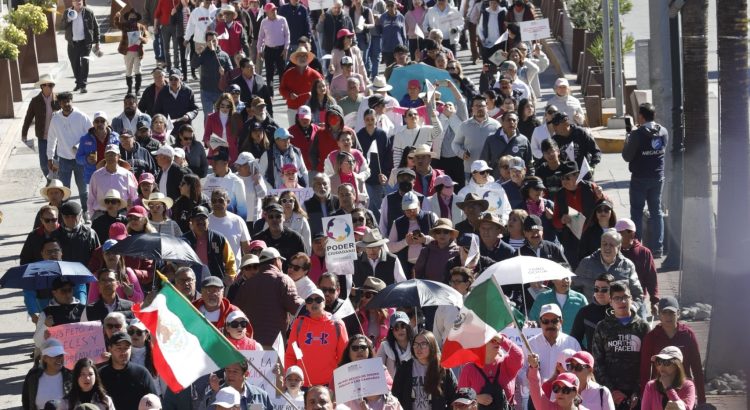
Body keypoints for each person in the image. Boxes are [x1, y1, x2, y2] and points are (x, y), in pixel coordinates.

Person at [591, 282, 650, 409]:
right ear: (610, 302)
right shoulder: (602, 327)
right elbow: (597, 362)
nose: (622, 301)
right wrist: (611, 391)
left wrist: (638, 391)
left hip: (637, 394)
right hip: (610, 394)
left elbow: (648, 362)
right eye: (617, 298)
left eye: (625, 297)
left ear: (631, 299)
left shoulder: (643, 327)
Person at [230, 247, 304, 346]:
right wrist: (312, 302)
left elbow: (235, 311)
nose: (281, 263)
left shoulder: (247, 284)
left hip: (251, 344)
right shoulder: (284, 280)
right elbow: (296, 307)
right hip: (275, 344)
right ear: (276, 261)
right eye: (281, 260)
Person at [639, 296, 706, 405]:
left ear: (678, 313)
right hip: (658, 391)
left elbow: (697, 368)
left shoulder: (687, 335)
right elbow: (645, 369)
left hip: (683, 389)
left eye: (671, 313)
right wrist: (644, 396)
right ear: (659, 315)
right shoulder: (651, 337)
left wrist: (702, 401)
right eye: (664, 312)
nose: (668, 316)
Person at [622, 102, 668, 257]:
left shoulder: (637, 134)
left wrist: (628, 140)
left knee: (636, 212)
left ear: (641, 116)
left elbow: (627, 156)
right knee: (657, 212)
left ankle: (637, 247)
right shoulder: (663, 131)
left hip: (640, 178)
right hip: (657, 177)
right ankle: (658, 249)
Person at [286, 288, 349, 386]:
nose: (314, 303)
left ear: (324, 304)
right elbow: (290, 355)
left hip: (329, 385)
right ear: (306, 305)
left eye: (318, 300)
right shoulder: (299, 324)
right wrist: (289, 379)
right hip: (302, 384)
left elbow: (343, 358)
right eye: (309, 301)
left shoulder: (337, 324)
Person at [46, 92, 93, 217]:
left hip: (80, 159)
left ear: (72, 101)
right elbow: (51, 139)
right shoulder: (55, 119)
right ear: (59, 103)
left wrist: (79, 146)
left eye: (68, 101)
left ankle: (86, 212)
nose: (66, 104)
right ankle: (64, 215)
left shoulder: (82, 117)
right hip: (64, 160)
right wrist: (50, 157)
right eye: (63, 102)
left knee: (83, 189)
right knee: (63, 190)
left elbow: (91, 135)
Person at [575, 230, 644, 314]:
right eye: (604, 244)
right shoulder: (586, 263)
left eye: (611, 244)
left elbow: (638, 294)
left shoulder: (627, 265)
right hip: (591, 315)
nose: (607, 247)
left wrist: (632, 308)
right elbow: (574, 289)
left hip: (618, 317)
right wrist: (582, 310)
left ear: (619, 247)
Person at [552, 160, 605, 269]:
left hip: (592, 233)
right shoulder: (559, 195)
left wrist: (602, 196)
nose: (564, 181)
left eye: (567, 177)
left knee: (597, 267)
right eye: (562, 178)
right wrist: (562, 220)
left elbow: (607, 206)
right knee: (576, 269)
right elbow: (555, 221)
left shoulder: (591, 188)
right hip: (572, 238)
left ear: (577, 176)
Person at [391, 330, 458, 410]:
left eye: (423, 344)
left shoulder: (443, 369)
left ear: (431, 346)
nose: (418, 348)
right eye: (415, 344)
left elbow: (454, 397)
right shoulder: (405, 368)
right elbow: (395, 395)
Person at [457, 333, 523, 409]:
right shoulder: (469, 369)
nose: (497, 343)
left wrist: (502, 340)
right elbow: (460, 400)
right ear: (481, 344)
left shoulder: (507, 364)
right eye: (492, 340)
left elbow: (519, 356)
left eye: (498, 340)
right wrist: (476, 398)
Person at [99, 332, 159, 410]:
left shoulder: (141, 373)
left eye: (126, 348)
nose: (123, 352)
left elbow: (154, 402)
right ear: (110, 349)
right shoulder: (101, 375)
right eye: (119, 348)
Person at [183, 206, 237, 286]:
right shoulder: (184, 240)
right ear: (191, 221)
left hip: (215, 282)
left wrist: (230, 276)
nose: (200, 221)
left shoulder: (219, 238)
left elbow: (230, 260)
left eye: (203, 219)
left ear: (208, 221)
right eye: (197, 219)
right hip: (190, 283)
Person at [616, 218, 659, 314]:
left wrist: (654, 301)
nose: (618, 237)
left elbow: (651, 277)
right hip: (617, 302)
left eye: (621, 233)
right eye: (616, 233)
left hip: (638, 300)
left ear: (632, 233)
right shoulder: (614, 252)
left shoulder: (644, 252)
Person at [86, 145, 139, 221]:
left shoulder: (127, 175)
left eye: (112, 154)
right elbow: (91, 197)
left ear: (119, 156)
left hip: (122, 215)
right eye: (107, 154)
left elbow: (134, 197)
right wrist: (92, 215)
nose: (110, 157)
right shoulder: (96, 175)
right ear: (104, 156)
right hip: (100, 214)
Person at [22, 75, 59, 179]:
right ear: (42, 86)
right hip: (43, 137)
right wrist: (24, 133)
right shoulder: (35, 101)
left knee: (57, 161)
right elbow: (28, 118)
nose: (49, 88)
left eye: (51, 85)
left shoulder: (59, 99)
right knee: (44, 163)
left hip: (57, 137)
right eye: (46, 85)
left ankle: (56, 182)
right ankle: (49, 180)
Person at [391, 102, 443, 172]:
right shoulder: (399, 135)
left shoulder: (427, 130)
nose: (413, 116)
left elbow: (439, 130)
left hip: (424, 168)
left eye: (415, 114)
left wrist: (434, 117)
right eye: (410, 115)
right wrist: (398, 170)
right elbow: (397, 155)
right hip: (407, 171)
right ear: (405, 119)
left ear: (418, 117)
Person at [22, 338, 71, 410]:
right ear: (44, 358)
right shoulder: (33, 377)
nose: (59, 359)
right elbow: (26, 402)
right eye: (55, 355)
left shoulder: (70, 376)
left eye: (61, 355)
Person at [208, 188, 252, 268]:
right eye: (214, 201)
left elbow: (246, 248)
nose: (217, 203)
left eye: (221, 201)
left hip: (235, 272)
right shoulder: (206, 221)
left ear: (228, 202)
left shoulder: (238, 220)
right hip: (212, 270)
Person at [63, 0, 100, 93]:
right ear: (72, 2)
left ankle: (83, 85)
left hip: (85, 43)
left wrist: (97, 42)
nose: (78, 2)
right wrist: (68, 19)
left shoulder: (88, 12)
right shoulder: (67, 12)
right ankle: (78, 83)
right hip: (72, 43)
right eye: (76, 1)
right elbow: (62, 25)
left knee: (84, 63)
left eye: (79, 0)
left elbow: (96, 27)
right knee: (75, 64)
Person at [457, 160, 511, 225]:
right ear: (473, 174)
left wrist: (501, 223)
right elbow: (461, 216)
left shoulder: (498, 187)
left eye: (487, 171)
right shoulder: (463, 192)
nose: (486, 174)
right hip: (473, 230)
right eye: (482, 172)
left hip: (497, 229)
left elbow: (507, 209)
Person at [280, 47, 324, 126]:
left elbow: (323, 89)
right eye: (300, 56)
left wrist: (314, 95)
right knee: (294, 133)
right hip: (293, 109)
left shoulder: (315, 74)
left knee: (310, 134)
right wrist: (289, 95)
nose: (302, 58)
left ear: (308, 59)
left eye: (304, 56)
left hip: (310, 109)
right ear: (296, 58)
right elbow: (281, 89)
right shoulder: (288, 73)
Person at [570, 273, 614, 352]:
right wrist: (587, 357)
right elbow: (574, 339)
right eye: (596, 289)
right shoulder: (585, 312)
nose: (599, 292)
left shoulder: (620, 310)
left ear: (613, 290)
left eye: (604, 289)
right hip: (594, 362)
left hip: (617, 361)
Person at [194, 33, 233, 120]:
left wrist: (224, 73)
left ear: (218, 41)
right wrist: (197, 53)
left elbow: (231, 73)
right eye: (209, 41)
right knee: (208, 116)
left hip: (220, 92)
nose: (212, 43)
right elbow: (194, 64)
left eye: (214, 40)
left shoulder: (224, 55)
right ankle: (208, 134)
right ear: (206, 42)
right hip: (206, 91)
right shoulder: (203, 54)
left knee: (220, 117)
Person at [202, 150, 249, 220]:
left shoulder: (236, 181)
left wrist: (238, 225)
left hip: (229, 222)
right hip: (209, 222)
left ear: (225, 163)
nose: (213, 165)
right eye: (212, 162)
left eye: (216, 162)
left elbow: (242, 209)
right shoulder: (207, 179)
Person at [205, 362, 274, 410]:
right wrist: (216, 392)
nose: (230, 374)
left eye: (235, 371)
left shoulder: (260, 395)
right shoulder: (214, 393)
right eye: (228, 370)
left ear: (246, 374)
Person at [152, 69, 199, 136]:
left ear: (181, 79)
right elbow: (157, 111)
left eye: (176, 79)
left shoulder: (188, 91)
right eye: (171, 79)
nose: (173, 81)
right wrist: (163, 120)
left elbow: (195, 109)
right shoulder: (163, 93)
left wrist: (189, 115)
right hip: (169, 129)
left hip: (185, 127)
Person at [115, 9, 148, 96]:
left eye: (134, 16)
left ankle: (137, 89)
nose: (132, 17)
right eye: (130, 16)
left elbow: (146, 39)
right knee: (128, 70)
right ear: (128, 17)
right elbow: (117, 25)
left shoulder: (141, 27)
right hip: (128, 51)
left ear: (137, 17)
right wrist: (117, 17)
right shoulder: (125, 25)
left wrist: (142, 39)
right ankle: (129, 89)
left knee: (138, 71)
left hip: (138, 52)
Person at [257, 3, 290, 91]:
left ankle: (283, 90)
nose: (274, 11)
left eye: (275, 9)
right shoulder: (264, 22)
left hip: (281, 50)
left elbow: (287, 34)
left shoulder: (282, 19)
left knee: (282, 72)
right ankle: (270, 92)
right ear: (267, 12)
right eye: (272, 10)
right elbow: (260, 37)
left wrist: (286, 48)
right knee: (269, 73)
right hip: (269, 50)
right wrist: (259, 50)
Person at [377, 311, 415, 377]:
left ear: (408, 327)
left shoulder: (416, 345)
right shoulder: (385, 346)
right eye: (396, 327)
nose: (400, 330)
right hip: (392, 386)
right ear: (391, 330)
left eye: (403, 326)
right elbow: (378, 371)